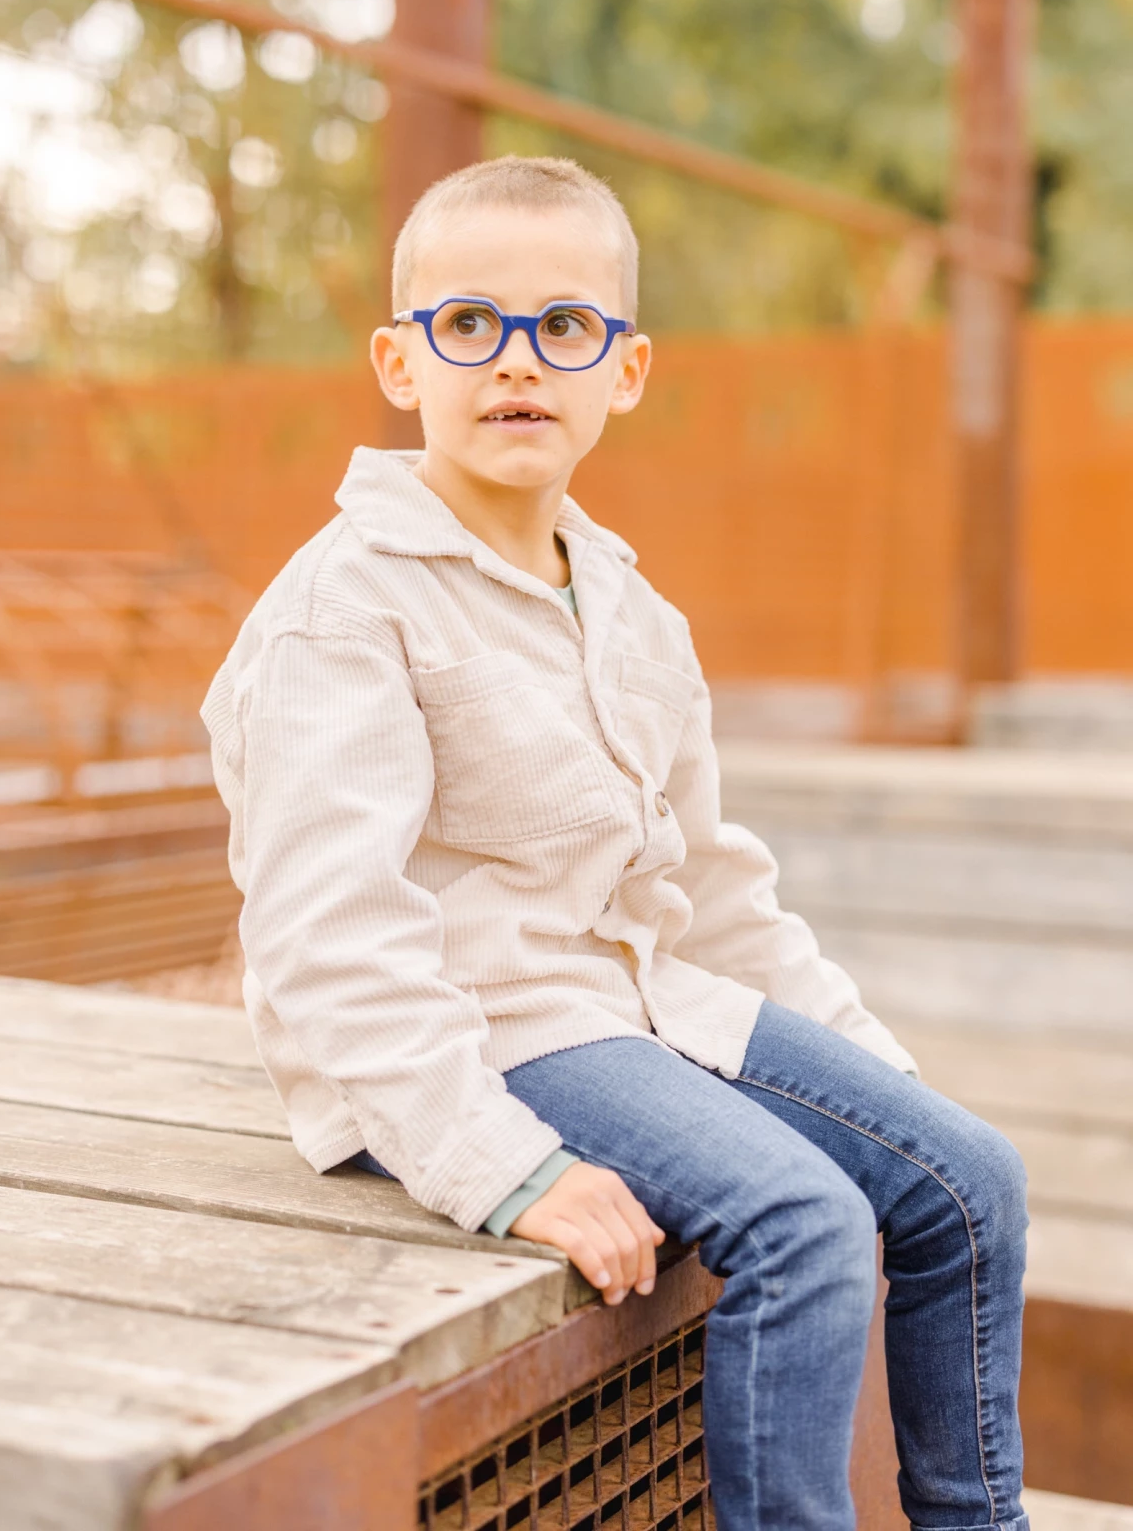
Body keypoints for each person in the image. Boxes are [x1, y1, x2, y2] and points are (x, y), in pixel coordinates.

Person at [202, 155, 1028, 1531]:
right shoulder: (342, 609)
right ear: (400, 362)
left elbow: (709, 886)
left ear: (625, 370)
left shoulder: (632, 609)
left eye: (564, 328)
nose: (517, 362)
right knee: (805, 1227)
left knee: (967, 1182)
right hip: (489, 1033)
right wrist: (503, 1169)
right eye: (471, 324)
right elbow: (324, 938)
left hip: (646, 1006)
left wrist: (875, 1083)